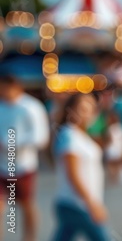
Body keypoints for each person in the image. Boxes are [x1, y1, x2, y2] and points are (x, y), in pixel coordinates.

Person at [52, 93, 109, 241]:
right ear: (71, 110)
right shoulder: (69, 135)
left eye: (91, 108)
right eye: (83, 108)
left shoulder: (80, 135)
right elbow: (73, 174)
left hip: (75, 203)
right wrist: (91, 203)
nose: (88, 112)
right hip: (77, 204)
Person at [0, 75, 50, 241]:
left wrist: (13, 144)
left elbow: (41, 137)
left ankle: (29, 238)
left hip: (23, 165)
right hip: (1, 165)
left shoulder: (30, 107)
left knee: (26, 204)